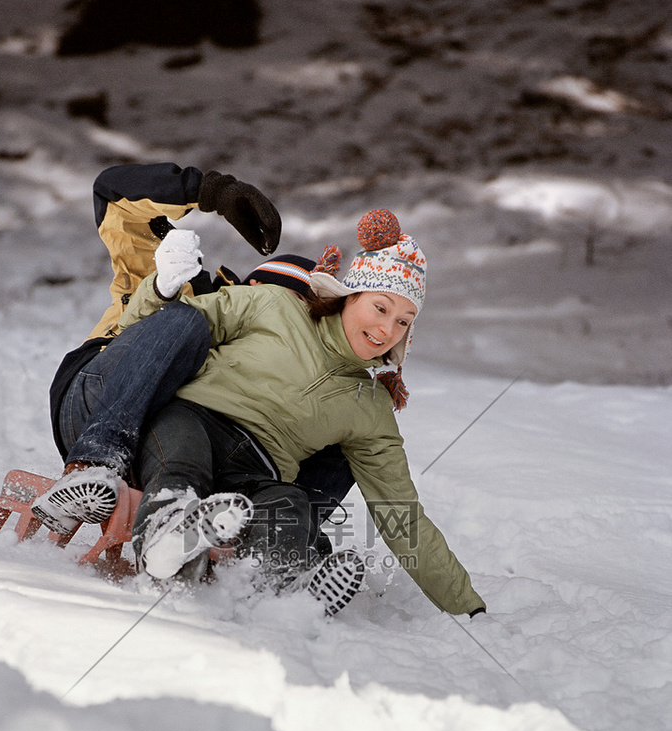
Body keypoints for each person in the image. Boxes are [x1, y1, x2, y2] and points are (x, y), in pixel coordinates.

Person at [97, 209, 487, 618]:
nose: (388, 328)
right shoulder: (274, 305)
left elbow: (400, 514)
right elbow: (158, 332)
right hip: (192, 418)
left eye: (404, 321)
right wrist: (160, 288)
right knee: (182, 459)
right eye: (381, 307)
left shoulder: (371, 407)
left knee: (288, 503)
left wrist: (468, 608)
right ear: (349, 296)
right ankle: (167, 538)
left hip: (258, 468)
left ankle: (283, 587)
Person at [35, 161, 353, 541]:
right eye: (284, 311)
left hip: (180, 450)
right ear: (249, 289)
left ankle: (282, 546)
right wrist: (212, 192)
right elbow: (114, 196)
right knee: (185, 323)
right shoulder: (185, 279)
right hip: (97, 400)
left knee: (345, 434)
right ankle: (91, 466)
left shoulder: (281, 375)